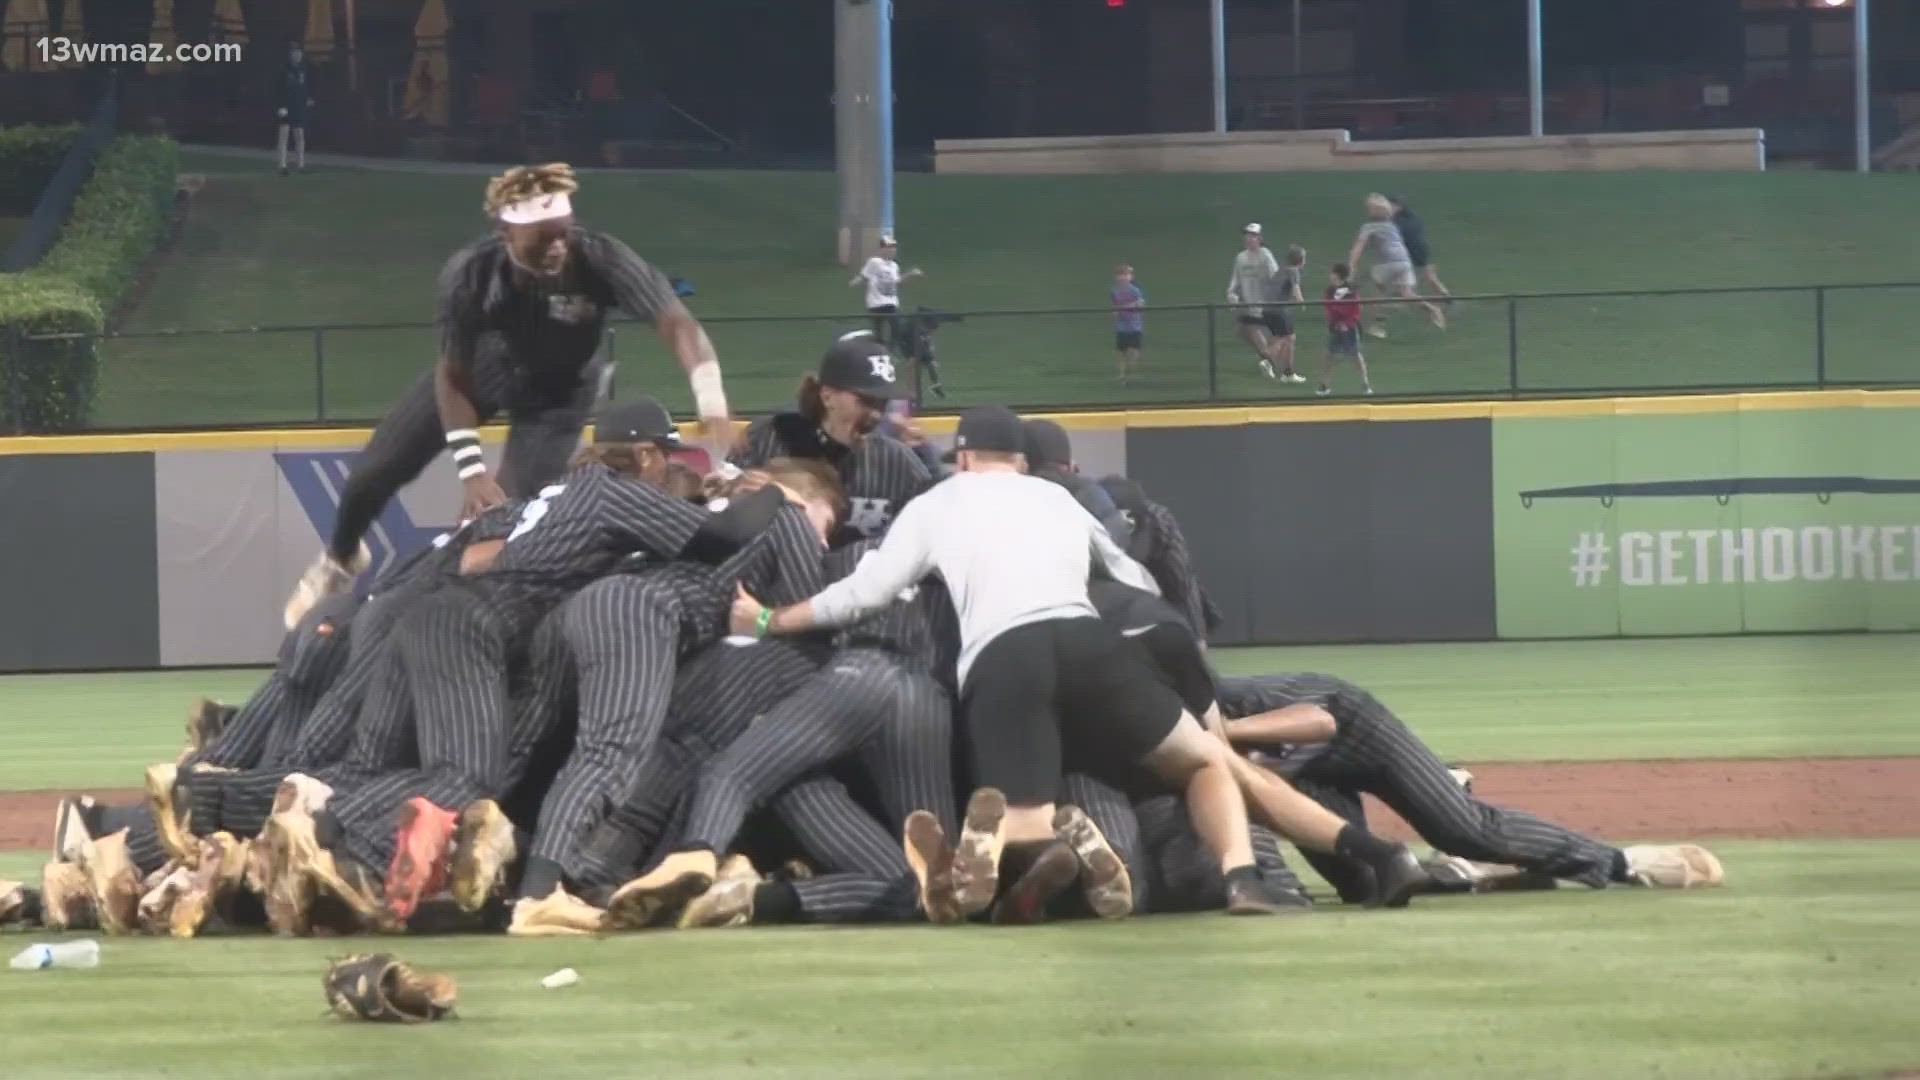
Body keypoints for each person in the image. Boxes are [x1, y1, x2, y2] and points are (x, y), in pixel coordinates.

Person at [729, 405, 1303, 920]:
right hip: (1090, 640)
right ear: (1022, 460)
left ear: (964, 457)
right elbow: (1136, 579)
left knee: (1024, 809)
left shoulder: (939, 502)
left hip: (1004, 656)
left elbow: (863, 595)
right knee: (1206, 762)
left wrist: (765, 620)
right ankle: (1244, 879)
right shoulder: (1056, 498)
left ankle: (1029, 852)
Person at [281, 162, 737, 631]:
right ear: (505, 235)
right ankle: (339, 559)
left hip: (559, 397)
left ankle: (460, 627)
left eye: (564, 234)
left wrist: (710, 398)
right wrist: (472, 470)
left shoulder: (601, 258)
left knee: (509, 520)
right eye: (544, 239)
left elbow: (676, 322)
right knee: (370, 475)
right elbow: (454, 376)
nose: (559, 247)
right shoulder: (471, 275)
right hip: (482, 372)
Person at [730, 335, 932, 545]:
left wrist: (929, 454)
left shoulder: (895, 461)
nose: (876, 415)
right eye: (866, 401)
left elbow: (940, 514)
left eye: (882, 404)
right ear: (827, 397)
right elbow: (718, 508)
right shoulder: (772, 437)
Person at [1346, 193, 1444, 338]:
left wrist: (1351, 266)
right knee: (1407, 294)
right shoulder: (1392, 226)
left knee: (1375, 293)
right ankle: (1433, 309)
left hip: (1388, 264)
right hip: (1405, 262)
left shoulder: (1369, 227)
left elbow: (1358, 249)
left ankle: (1377, 326)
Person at [1225, 224, 1300, 382]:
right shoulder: (1240, 258)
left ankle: (1272, 363)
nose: (1249, 238)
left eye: (1253, 236)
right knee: (1246, 331)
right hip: (1249, 304)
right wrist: (1231, 294)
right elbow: (1235, 279)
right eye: (1247, 235)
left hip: (1266, 304)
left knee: (1281, 337)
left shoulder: (1265, 255)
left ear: (1259, 238)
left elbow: (1275, 277)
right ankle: (1272, 363)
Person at [850, 235, 923, 351]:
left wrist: (910, 275)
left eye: (893, 247)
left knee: (897, 327)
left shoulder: (894, 266)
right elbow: (864, 276)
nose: (892, 250)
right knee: (878, 334)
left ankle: (889, 352)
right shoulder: (874, 262)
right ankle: (880, 352)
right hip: (876, 303)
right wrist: (854, 282)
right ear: (881, 249)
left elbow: (897, 282)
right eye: (888, 247)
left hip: (891, 303)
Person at [1318, 263, 1372, 397]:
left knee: (1355, 356)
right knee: (1329, 356)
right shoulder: (1329, 291)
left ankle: (1365, 383)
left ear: (1338, 275)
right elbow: (1328, 308)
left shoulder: (1352, 292)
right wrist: (1335, 322)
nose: (1330, 275)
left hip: (1350, 329)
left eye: (1332, 273)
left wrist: (1346, 323)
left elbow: (1355, 311)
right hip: (1336, 329)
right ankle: (1325, 385)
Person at [1387, 195, 1452, 304]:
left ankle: (1401, 295)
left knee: (1401, 276)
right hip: (1422, 248)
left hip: (1411, 250)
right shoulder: (1412, 217)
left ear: (1398, 207)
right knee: (1430, 276)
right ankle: (1446, 296)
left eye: (1390, 206)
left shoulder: (1397, 221)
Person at [1266, 245, 1308, 383]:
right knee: (1285, 338)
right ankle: (1268, 361)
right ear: (1301, 260)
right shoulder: (1293, 271)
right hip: (1279, 310)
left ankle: (1288, 373)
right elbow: (1296, 289)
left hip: (1268, 309)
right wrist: (1301, 302)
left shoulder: (1281, 270)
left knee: (1288, 338)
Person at [276, 43, 313, 177]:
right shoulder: (284, 70)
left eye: (299, 53)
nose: (297, 55)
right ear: (290, 55)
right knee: (284, 135)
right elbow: (278, 89)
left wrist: (308, 98)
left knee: (299, 135)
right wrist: (280, 106)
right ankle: (282, 165)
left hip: (299, 107)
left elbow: (304, 87)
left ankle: (301, 165)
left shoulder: (303, 69)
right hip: (286, 107)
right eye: (294, 53)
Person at [1111, 264, 1145, 384]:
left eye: (1127, 274)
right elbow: (1115, 306)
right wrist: (1115, 312)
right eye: (1121, 275)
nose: (1124, 277)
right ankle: (1121, 374)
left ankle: (1132, 372)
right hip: (1122, 326)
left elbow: (1140, 303)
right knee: (1121, 351)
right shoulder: (1115, 291)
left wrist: (1126, 307)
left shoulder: (1135, 290)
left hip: (1134, 325)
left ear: (1131, 277)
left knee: (1134, 349)